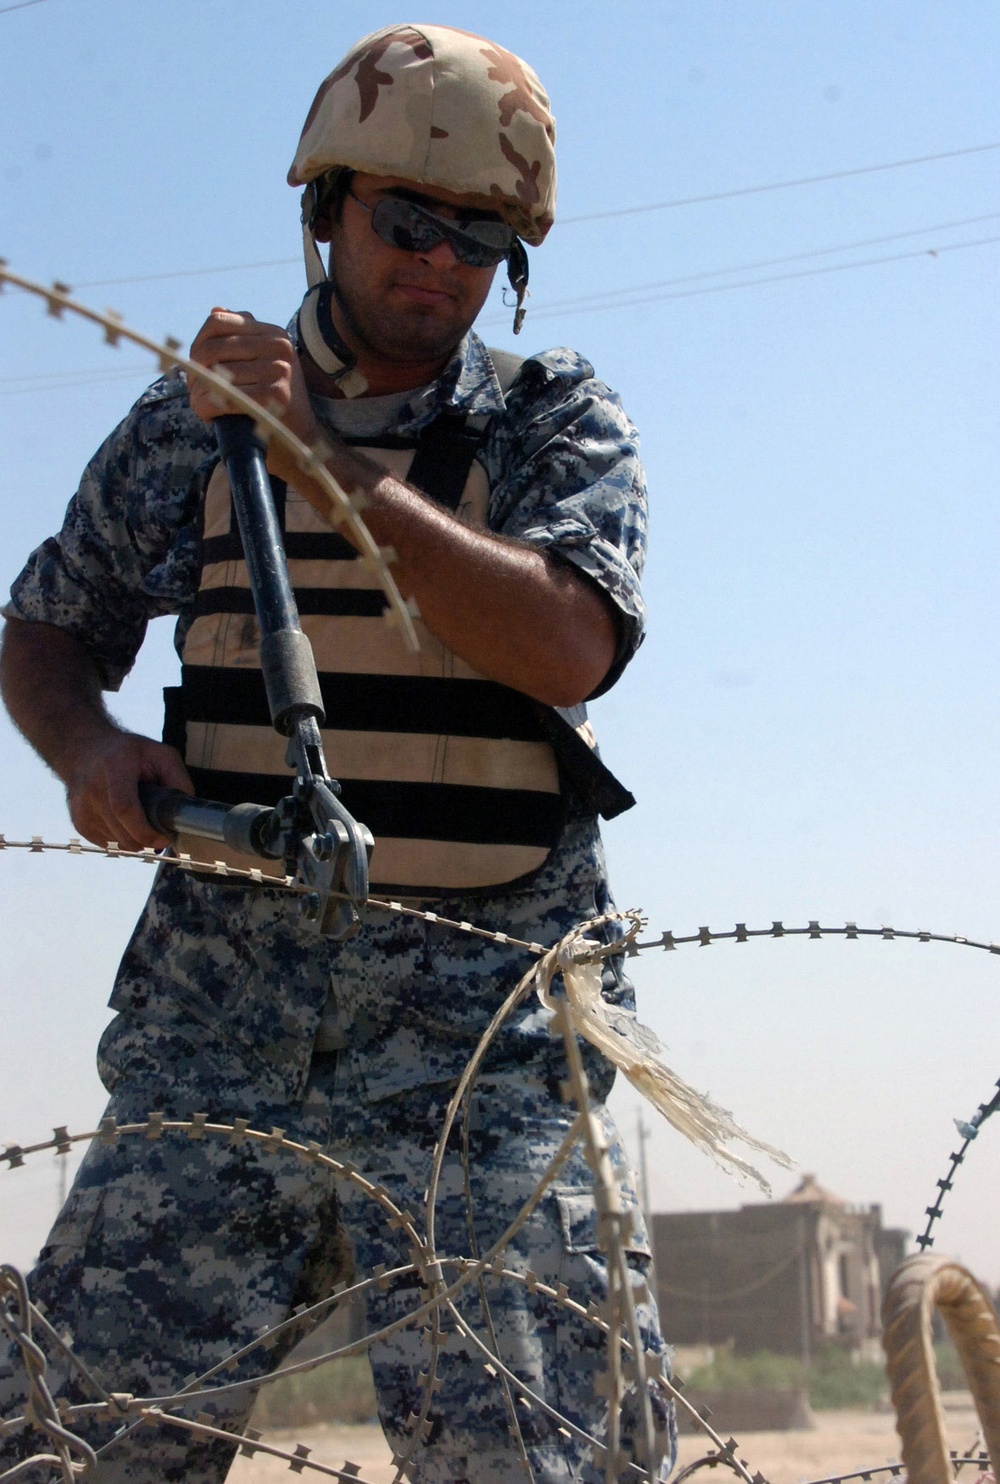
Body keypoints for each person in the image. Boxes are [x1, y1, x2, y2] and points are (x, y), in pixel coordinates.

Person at [0, 24, 673, 1484]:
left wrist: (319, 454)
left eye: (480, 239)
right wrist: (88, 750)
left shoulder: (549, 422)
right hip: (220, 1030)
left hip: (477, 1049)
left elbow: (568, 641)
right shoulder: (185, 433)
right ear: (326, 214)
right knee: (71, 1449)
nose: (439, 261)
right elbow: (48, 627)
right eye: (408, 222)